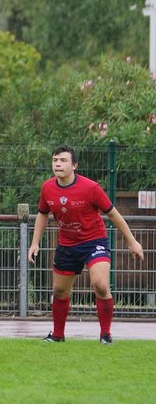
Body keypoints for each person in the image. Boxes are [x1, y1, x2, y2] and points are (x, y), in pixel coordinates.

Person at [28, 144, 145, 345]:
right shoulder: (47, 188)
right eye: (55, 160)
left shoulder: (91, 188)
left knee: (100, 285)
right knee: (59, 291)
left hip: (94, 242)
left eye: (63, 160)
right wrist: (34, 243)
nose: (58, 164)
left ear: (74, 165)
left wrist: (132, 241)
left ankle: (105, 335)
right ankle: (57, 336)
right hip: (67, 245)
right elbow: (42, 214)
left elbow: (113, 214)